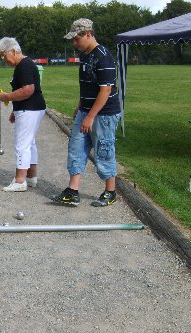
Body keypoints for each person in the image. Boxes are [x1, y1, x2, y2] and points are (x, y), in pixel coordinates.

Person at [50, 18, 121, 207]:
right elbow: (87, 85)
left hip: (104, 114)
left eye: (77, 39)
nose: (74, 43)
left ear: (88, 34)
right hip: (86, 110)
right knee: (76, 147)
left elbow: (105, 90)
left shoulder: (103, 57)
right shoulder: (85, 56)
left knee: (104, 150)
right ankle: (72, 191)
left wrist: (90, 117)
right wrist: (80, 105)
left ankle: (110, 191)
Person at [0, 37, 46, 192]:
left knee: (21, 144)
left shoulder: (23, 65)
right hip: (31, 108)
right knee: (29, 143)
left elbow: (28, 90)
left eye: (4, 55)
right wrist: (14, 110)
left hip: (29, 108)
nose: (3, 59)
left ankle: (19, 181)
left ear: (12, 50)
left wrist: (7, 97)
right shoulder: (25, 64)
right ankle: (31, 177)